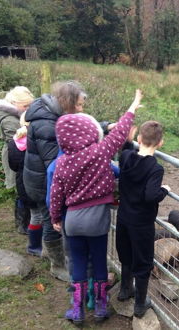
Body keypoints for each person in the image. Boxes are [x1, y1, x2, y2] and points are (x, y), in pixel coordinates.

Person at [49, 90, 142, 325]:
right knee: (99, 262)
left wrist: (55, 217)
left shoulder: (61, 163)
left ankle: (77, 311)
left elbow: (56, 192)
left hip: (72, 219)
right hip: (97, 218)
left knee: (78, 263)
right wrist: (133, 106)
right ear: (90, 132)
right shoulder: (100, 152)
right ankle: (101, 308)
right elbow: (121, 132)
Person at [23, 81, 87, 281]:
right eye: (79, 105)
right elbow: (58, 164)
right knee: (52, 221)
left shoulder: (53, 115)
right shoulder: (47, 126)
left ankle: (48, 251)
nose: (81, 109)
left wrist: (102, 127)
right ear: (67, 103)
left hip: (40, 178)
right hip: (43, 183)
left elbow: (78, 125)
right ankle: (57, 265)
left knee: (47, 218)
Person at [116, 120, 170, 318]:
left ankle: (124, 290)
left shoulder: (126, 157)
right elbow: (150, 195)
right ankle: (140, 304)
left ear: (139, 139)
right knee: (143, 261)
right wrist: (164, 190)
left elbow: (127, 150)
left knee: (126, 253)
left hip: (123, 218)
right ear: (160, 143)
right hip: (141, 223)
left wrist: (129, 141)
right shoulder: (155, 169)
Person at [0, 86, 35, 234]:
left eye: (30, 105)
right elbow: (16, 143)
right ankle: (22, 223)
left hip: (18, 153)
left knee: (23, 187)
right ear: (15, 103)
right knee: (21, 188)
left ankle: (25, 221)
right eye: (25, 106)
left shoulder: (16, 114)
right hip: (15, 155)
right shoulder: (9, 120)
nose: (28, 108)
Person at [7, 112, 40, 254]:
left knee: (35, 214)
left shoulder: (13, 142)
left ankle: (34, 245)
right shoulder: (37, 141)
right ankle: (35, 246)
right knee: (40, 215)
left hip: (22, 182)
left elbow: (13, 166)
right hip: (37, 183)